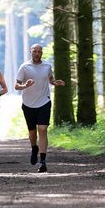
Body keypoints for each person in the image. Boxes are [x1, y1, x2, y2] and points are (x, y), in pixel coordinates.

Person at [15, 44, 65, 173]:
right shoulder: (24, 67)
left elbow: (50, 78)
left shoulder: (47, 66)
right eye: (34, 51)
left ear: (42, 53)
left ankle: (43, 161)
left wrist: (55, 82)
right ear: (31, 52)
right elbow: (16, 85)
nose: (37, 53)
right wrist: (25, 85)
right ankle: (34, 148)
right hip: (28, 104)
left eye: (39, 51)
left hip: (44, 102)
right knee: (32, 131)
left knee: (42, 129)